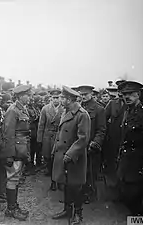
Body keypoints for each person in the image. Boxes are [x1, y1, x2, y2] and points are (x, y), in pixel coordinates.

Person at [51, 86, 91, 225]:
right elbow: (60, 133)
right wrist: (55, 149)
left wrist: (70, 154)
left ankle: (78, 214)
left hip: (75, 157)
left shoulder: (82, 114)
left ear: (69, 99)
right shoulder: (65, 111)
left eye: (62, 97)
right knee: (67, 184)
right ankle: (67, 210)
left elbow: (83, 139)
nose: (60, 99)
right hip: (63, 154)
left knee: (76, 186)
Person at [116, 81, 143, 215]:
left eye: (131, 94)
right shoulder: (127, 112)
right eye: (124, 94)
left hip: (139, 164)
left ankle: (140, 221)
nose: (127, 97)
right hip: (126, 163)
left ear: (139, 94)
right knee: (127, 197)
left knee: (137, 199)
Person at [0, 84, 32, 221]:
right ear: (20, 96)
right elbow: (8, 134)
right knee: (12, 178)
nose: (29, 98)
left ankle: (13, 205)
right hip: (15, 150)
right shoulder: (13, 110)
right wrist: (9, 155)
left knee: (16, 178)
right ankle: (11, 209)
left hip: (21, 149)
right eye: (27, 95)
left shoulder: (21, 109)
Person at [78, 85, 106, 203]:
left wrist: (95, 143)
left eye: (86, 94)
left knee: (90, 172)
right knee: (80, 171)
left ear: (91, 94)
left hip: (91, 147)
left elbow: (102, 130)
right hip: (80, 145)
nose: (83, 97)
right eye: (82, 95)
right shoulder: (78, 107)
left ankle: (90, 194)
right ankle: (81, 192)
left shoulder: (99, 109)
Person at [37, 88, 64, 190]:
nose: (56, 100)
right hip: (47, 137)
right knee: (49, 159)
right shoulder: (45, 109)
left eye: (58, 98)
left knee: (59, 159)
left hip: (59, 136)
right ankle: (53, 180)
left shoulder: (64, 109)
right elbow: (41, 125)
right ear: (50, 98)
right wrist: (39, 139)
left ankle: (59, 180)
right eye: (54, 98)